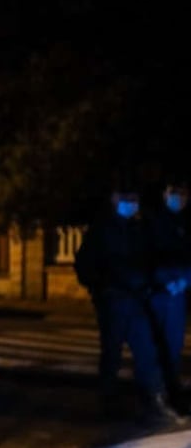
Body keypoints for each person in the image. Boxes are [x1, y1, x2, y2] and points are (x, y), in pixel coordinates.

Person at [75, 179, 183, 425]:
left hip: (136, 300)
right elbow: (85, 265)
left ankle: (152, 401)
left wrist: (152, 282)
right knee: (112, 354)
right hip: (113, 301)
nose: (132, 204)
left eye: (135, 200)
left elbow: (150, 259)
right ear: (115, 199)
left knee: (147, 352)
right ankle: (109, 403)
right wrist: (102, 290)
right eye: (127, 199)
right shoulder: (102, 229)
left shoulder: (138, 229)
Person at [149, 179, 191, 411]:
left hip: (178, 292)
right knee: (159, 345)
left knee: (174, 345)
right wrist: (164, 280)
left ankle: (171, 391)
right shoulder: (155, 222)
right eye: (174, 192)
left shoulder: (184, 223)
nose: (179, 197)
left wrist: (185, 280)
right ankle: (157, 393)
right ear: (165, 195)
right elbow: (148, 257)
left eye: (183, 193)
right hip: (160, 292)